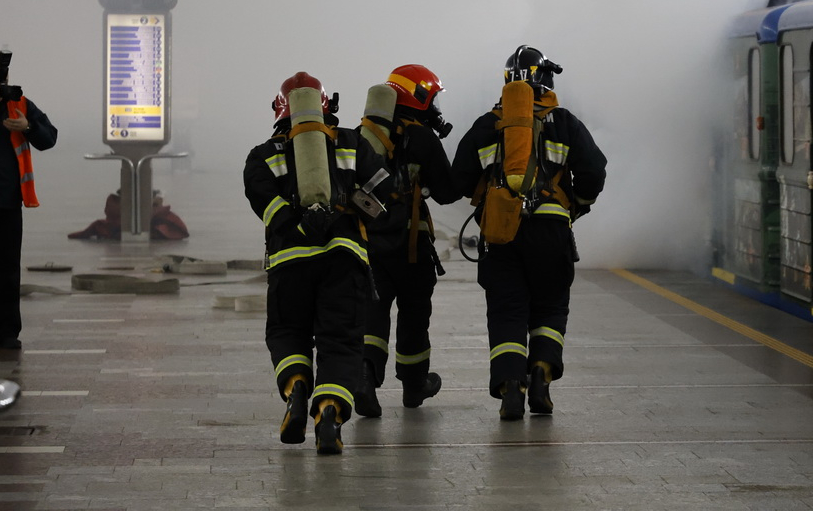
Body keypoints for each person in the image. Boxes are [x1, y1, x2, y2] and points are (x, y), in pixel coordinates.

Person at [451, 45, 606, 420]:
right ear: (547, 79)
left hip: (503, 234)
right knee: (550, 304)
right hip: (552, 231)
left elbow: (459, 180)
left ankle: (510, 389)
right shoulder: (565, 121)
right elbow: (595, 171)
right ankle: (541, 373)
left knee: (507, 311)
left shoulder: (487, 124)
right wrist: (575, 205)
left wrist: (490, 195)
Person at [243, 71, 393, 455]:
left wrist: (296, 225)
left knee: (287, 333)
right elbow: (385, 187)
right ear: (327, 107)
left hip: (289, 263)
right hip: (344, 260)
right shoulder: (351, 143)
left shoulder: (261, 156)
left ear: (280, 110)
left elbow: (268, 206)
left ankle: (296, 389)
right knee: (340, 343)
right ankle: (328, 413)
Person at [354, 65, 462, 418]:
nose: (435, 107)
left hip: (367, 243)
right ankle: (414, 386)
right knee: (414, 313)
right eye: (431, 98)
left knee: (373, 311)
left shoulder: (361, 134)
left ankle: (367, 378)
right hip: (411, 245)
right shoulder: (422, 138)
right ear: (416, 97)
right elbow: (447, 193)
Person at [0, 53, 57, 351]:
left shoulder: (21, 105)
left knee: (7, 272)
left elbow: (49, 138)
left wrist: (27, 126)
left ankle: (7, 333)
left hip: (8, 204)